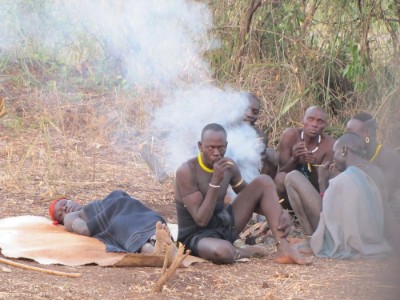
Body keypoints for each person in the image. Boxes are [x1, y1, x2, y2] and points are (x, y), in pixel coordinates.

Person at [174, 123, 311, 265]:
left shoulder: (229, 166)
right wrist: (215, 181)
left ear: (226, 145)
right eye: (210, 148)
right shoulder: (187, 171)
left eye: (221, 147)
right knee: (224, 252)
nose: (216, 152)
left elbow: (253, 198)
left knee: (264, 181)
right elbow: (201, 220)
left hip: (224, 226)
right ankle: (241, 251)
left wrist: (280, 212)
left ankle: (283, 246)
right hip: (196, 237)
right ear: (200, 146)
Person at [285, 133, 393, 258]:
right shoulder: (376, 171)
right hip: (371, 238)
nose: (333, 159)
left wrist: (322, 182)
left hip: (343, 238)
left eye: (334, 152)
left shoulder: (344, 179)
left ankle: (313, 241)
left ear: (344, 151)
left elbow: (328, 214)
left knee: (292, 177)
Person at [49, 190, 177, 256]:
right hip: (113, 220)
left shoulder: (93, 205)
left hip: (128, 211)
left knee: (133, 210)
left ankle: (156, 242)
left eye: (64, 204)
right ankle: (156, 245)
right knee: (122, 222)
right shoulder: (71, 216)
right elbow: (84, 230)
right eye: (60, 214)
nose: (64, 209)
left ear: (70, 200)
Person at [274, 106, 335, 208]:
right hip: (288, 196)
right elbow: (281, 171)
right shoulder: (290, 136)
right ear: (303, 119)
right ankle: (285, 210)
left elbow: (323, 187)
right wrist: (294, 159)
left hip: (311, 197)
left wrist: (314, 166)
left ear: (325, 125)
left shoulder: (330, 145)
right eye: (310, 119)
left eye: (320, 121)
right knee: (280, 178)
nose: (314, 125)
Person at [346, 112, 400, 225]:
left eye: (351, 133)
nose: (346, 137)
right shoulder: (356, 155)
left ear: (367, 133)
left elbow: (382, 198)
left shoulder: (388, 158)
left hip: (388, 220)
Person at [243, 93, 278, 178]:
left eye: (255, 112)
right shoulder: (223, 128)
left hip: (249, 179)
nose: (250, 115)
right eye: (245, 109)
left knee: (271, 154)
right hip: (224, 179)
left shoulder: (260, 136)